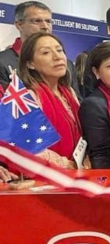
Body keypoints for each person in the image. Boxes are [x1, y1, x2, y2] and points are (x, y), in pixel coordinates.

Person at [17, 32, 85, 169]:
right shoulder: (27, 97)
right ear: (30, 64)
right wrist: (65, 164)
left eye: (59, 50)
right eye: (46, 52)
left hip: (77, 171)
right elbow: (25, 146)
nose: (57, 56)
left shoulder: (69, 92)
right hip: (45, 175)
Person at [0, 1, 80, 96]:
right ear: (19, 25)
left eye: (48, 21)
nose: (45, 27)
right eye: (37, 21)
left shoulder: (66, 64)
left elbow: (77, 100)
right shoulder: (2, 61)